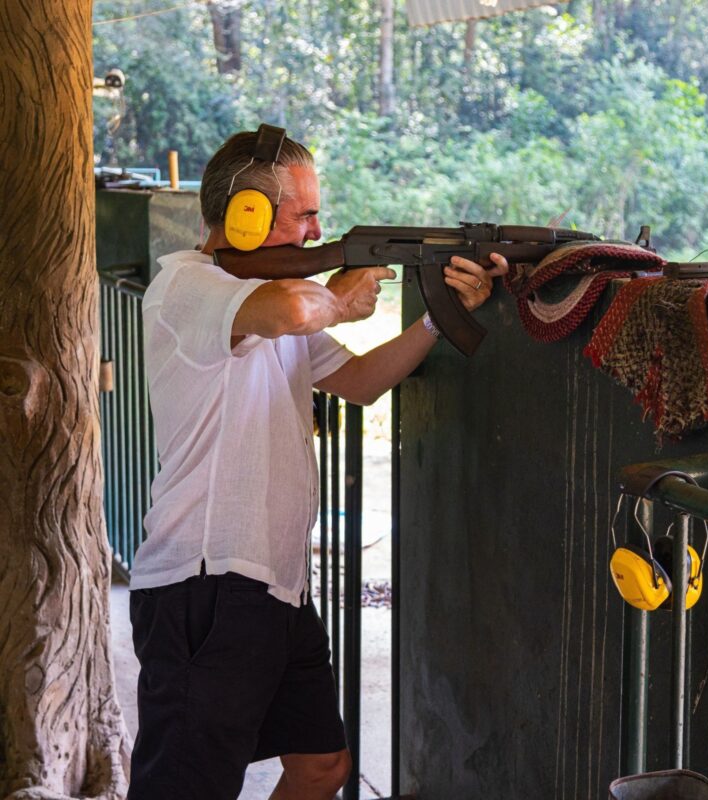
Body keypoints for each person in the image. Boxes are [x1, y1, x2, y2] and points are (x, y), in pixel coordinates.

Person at [127, 128, 508, 800]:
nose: (317, 229)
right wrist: (342, 296)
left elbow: (359, 380)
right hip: (204, 583)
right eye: (304, 214)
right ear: (246, 213)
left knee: (323, 767)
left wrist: (437, 320)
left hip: (274, 584)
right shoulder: (187, 287)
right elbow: (296, 308)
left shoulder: (273, 310)